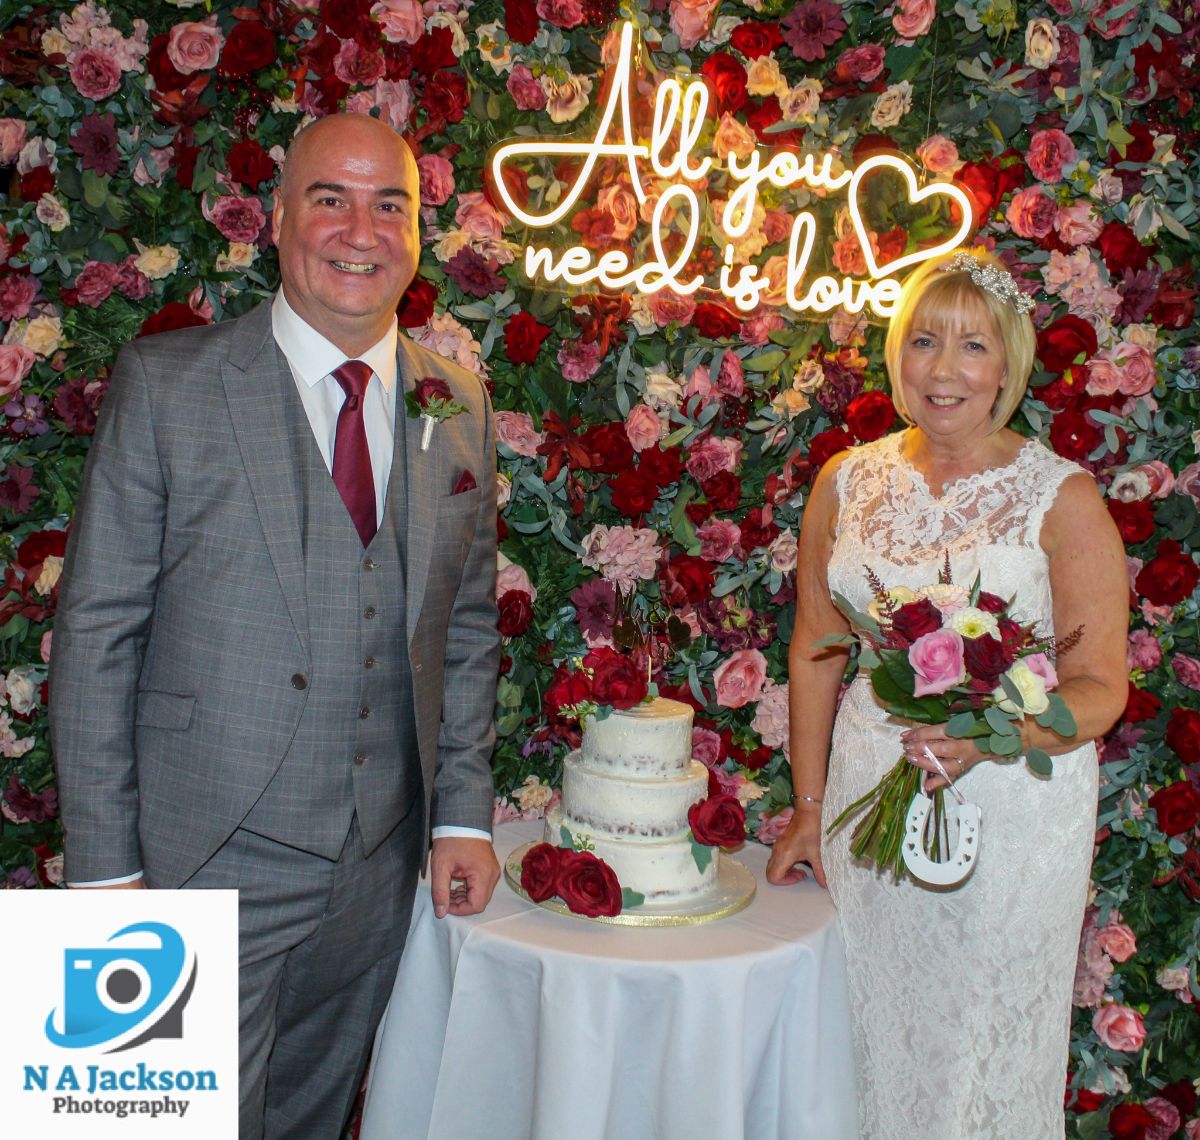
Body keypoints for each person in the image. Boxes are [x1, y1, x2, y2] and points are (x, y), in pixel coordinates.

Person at [49, 113, 502, 1139]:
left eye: (390, 205)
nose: (361, 230)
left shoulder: (458, 402)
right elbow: (97, 633)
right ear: (279, 216)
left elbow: (465, 626)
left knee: (307, 1120)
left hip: (375, 869)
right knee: (133, 1129)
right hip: (188, 858)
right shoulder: (167, 385)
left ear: (418, 234)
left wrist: (461, 817)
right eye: (330, 199)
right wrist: (104, 869)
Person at [765, 248, 1127, 1138]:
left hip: (1012, 813)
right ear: (898, 357)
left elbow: (1100, 690)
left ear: (1008, 366)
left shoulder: (1062, 497)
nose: (944, 370)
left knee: (973, 1059)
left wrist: (998, 734)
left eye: (973, 346)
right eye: (925, 341)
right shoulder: (845, 481)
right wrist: (808, 808)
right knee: (863, 1037)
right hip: (867, 799)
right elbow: (817, 648)